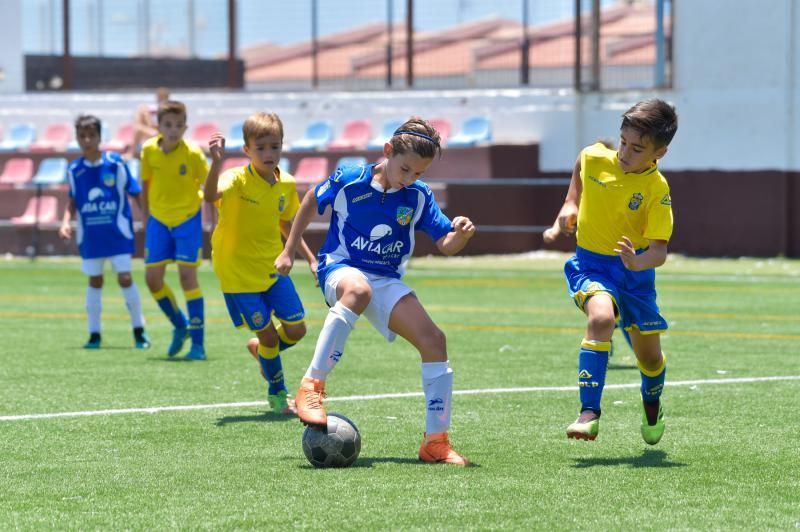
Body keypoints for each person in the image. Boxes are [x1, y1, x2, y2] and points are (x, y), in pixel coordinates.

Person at [275, 117, 477, 465]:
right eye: (406, 169)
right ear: (388, 152)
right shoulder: (350, 179)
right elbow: (309, 200)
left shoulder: (417, 195)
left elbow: (445, 243)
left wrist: (461, 234)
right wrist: (289, 249)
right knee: (357, 290)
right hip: (340, 267)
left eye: (419, 173)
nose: (411, 178)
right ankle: (312, 385)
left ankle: (436, 442)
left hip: (385, 279)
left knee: (434, 340)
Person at [552, 99, 678, 445]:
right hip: (592, 266)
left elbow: (659, 251)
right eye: (623, 142)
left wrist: (637, 262)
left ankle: (652, 404)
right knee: (602, 319)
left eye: (637, 148)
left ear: (659, 153)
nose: (625, 152)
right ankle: (588, 413)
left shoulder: (657, 190)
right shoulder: (596, 158)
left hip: (635, 276)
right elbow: (582, 163)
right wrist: (570, 202)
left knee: (649, 360)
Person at [204, 112, 318, 415]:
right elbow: (210, 195)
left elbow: (287, 224)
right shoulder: (235, 178)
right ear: (247, 151)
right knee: (268, 334)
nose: (269, 154)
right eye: (261, 148)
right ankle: (278, 395)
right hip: (237, 272)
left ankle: (263, 352)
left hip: (272, 265)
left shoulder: (286, 184)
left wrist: (309, 257)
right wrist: (216, 161)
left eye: (274, 146)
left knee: (296, 330)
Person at [58, 114, 151, 350]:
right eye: (82, 135)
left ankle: (139, 331)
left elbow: (135, 191)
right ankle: (94, 334)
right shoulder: (75, 169)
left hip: (118, 232)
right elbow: (72, 200)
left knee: (125, 278)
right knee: (95, 280)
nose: (87, 139)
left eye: (92, 135)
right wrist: (65, 221)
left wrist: (146, 218)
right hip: (91, 235)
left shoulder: (115, 163)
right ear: (77, 138)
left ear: (100, 137)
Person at [140, 100, 209, 360]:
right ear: (158, 126)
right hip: (158, 221)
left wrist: (213, 221)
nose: (173, 130)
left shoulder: (193, 153)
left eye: (179, 125)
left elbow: (209, 186)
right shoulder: (148, 150)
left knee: (187, 278)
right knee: (152, 279)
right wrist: (146, 217)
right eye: (168, 125)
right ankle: (181, 326)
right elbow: (145, 183)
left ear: (185, 127)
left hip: (188, 219)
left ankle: (198, 345)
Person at [126, 87, 170, 159]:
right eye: (159, 96)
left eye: (161, 96)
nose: (159, 98)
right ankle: (134, 152)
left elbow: (161, 126)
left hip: (162, 134)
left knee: (139, 129)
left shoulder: (168, 109)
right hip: (153, 131)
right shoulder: (157, 108)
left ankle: (132, 152)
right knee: (142, 109)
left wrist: (148, 119)